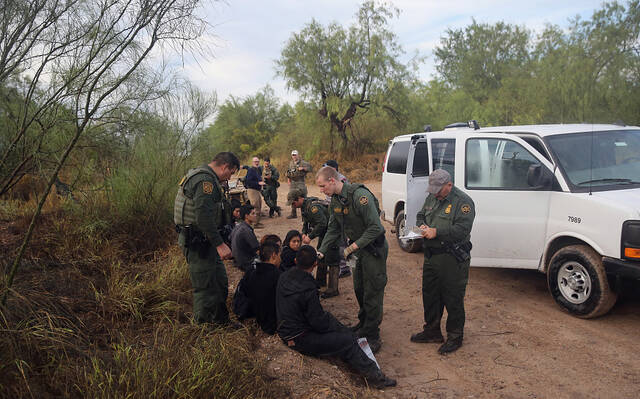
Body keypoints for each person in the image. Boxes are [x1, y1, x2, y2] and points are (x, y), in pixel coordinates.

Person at [276, 245, 396, 390]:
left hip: (286, 332)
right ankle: (376, 378)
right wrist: (339, 329)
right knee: (348, 340)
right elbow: (318, 322)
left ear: (296, 261)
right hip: (300, 338)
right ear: (315, 264)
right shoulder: (308, 288)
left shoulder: (284, 276)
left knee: (340, 329)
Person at [316, 166, 388, 353]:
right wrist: (321, 252)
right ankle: (363, 323)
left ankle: (372, 334)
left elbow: (376, 228)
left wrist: (353, 247)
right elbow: (333, 228)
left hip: (371, 249)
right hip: (355, 251)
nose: (321, 190)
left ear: (332, 180)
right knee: (359, 287)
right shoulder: (336, 201)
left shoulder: (359, 196)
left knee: (373, 290)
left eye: (323, 186)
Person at [410, 169, 475, 354]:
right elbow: (421, 214)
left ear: (449, 185)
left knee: (452, 297)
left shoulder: (463, 203)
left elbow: (462, 230)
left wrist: (437, 231)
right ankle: (432, 331)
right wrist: (422, 225)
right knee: (430, 295)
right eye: (433, 189)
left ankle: (455, 336)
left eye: (439, 189)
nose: (436, 193)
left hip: (451, 258)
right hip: (431, 256)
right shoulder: (433, 197)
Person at [174, 151, 240, 326]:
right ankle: (203, 329)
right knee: (205, 287)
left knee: (219, 282)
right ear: (225, 167)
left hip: (206, 241)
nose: (228, 177)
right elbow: (203, 216)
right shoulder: (205, 181)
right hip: (198, 243)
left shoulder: (206, 176)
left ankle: (220, 320)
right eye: (231, 173)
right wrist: (220, 245)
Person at [288, 188, 340, 298]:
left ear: (300, 199)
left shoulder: (313, 207)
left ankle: (333, 289)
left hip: (332, 232)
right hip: (324, 234)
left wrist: (310, 236)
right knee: (321, 255)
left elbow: (322, 224)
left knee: (332, 258)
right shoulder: (304, 207)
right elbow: (306, 222)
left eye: (293, 202)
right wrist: (303, 233)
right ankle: (320, 282)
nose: (293, 205)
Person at [239, 241, 282, 334]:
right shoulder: (279, 276)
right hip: (272, 324)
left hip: (255, 317)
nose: (280, 259)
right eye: (280, 256)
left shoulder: (252, 273)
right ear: (274, 255)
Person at [322, 160, 351, 279]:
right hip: (334, 211)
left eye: (327, 168)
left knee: (342, 241)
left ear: (333, 169)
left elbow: (345, 199)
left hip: (342, 214)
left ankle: (344, 268)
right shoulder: (329, 179)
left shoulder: (341, 180)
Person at [230, 204, 260, 272]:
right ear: (246, 216)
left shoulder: (238, 226)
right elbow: (257, 249)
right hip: (246, 262)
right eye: (253, 213)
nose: (255, 215)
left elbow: (230, 238)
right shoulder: (246, 230)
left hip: (238, 260)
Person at [286, 150, 312, 219]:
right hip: (293, 182)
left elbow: (310, 168)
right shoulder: (291, 163)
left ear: (298, 155)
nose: (294, 156)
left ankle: (304, 214)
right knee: (292, 197)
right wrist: (288, 180)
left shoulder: (303, 163)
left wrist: (303, 168)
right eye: (293, 155)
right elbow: (289, 171)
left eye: (295, 155)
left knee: (302, 197)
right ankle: (293, 213)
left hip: (300, 181)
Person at [245, 157, 264, 227]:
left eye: (258, 161)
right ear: (252, 162)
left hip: (257, 190)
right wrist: (258, 183)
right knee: (255, 206)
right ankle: (254, 224)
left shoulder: (258, 169)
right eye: (255, 162)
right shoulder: (251, 170)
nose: (257, 163)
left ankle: (257, 222)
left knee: (259, 205)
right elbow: (248, 181)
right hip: (252, 190)